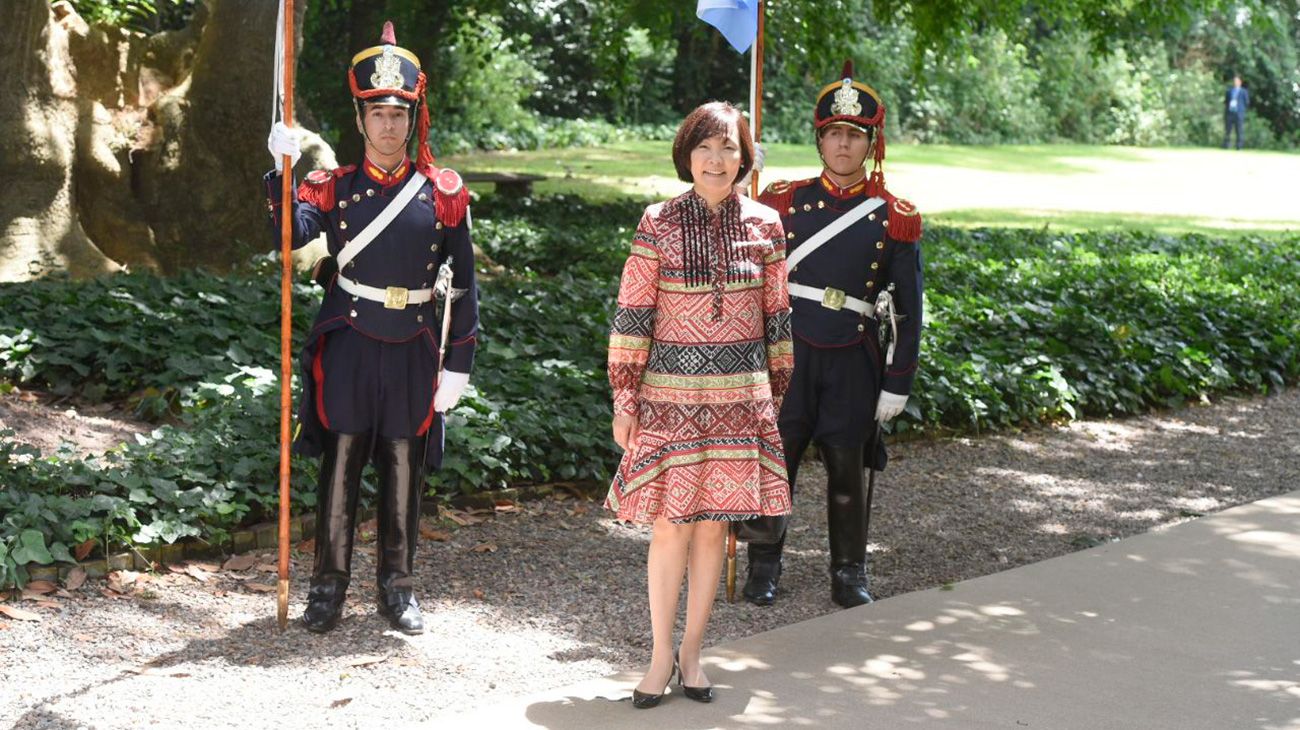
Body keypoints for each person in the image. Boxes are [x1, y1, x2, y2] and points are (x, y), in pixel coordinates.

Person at [264, 21, 477, 635]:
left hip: (413, 344)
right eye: (377, 112)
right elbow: (292, 233)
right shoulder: (333, 188)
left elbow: (462, 285)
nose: (389, 124)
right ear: (359, 120)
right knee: (341, 460)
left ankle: (398, 586)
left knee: (403, 464)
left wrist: (458, 363)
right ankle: (327, 588)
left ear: (414, 118)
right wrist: (280, 172)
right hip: (352, 340)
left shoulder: (443, 195)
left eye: (399, 113)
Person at [606, 101, 793, 708]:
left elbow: (778, 320)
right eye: (705, 148)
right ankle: (660, 654)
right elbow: (633, 314)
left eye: (730, 148)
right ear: (687, 154)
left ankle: (693, 651)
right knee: (670, 526)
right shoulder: (656, 221)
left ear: (744, 158)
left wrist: (776, 395)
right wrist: (624, 396)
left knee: (715, 528)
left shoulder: (767, 225)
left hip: (742, 400)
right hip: (668, 399)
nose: (717, 160)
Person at [744, 60, 923, 609]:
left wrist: (898, 380)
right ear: (820, 140)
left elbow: (909, 308)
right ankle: (763, 567)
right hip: (789, 351)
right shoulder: (783, 200)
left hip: (853, 356)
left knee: (848, 470)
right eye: (835, 135)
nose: (843, 146)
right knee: (777, 462)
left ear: (871, 143)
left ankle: (848, 574)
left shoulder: (893, 216)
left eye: (854, 136)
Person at [1223, 74, 1249, 150]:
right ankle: (1226, 145)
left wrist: (1241, 110)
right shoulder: (1229, 91)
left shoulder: (1244, 91)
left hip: (1239, 114)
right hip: (1230, 113)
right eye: (1234, 81)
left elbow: (1246, 102)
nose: (1235, 82)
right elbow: (1226, 101)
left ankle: (1239, 146)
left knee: (1239, 130)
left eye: (1237, 81)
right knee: (1227, 130)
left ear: (1240, 82)